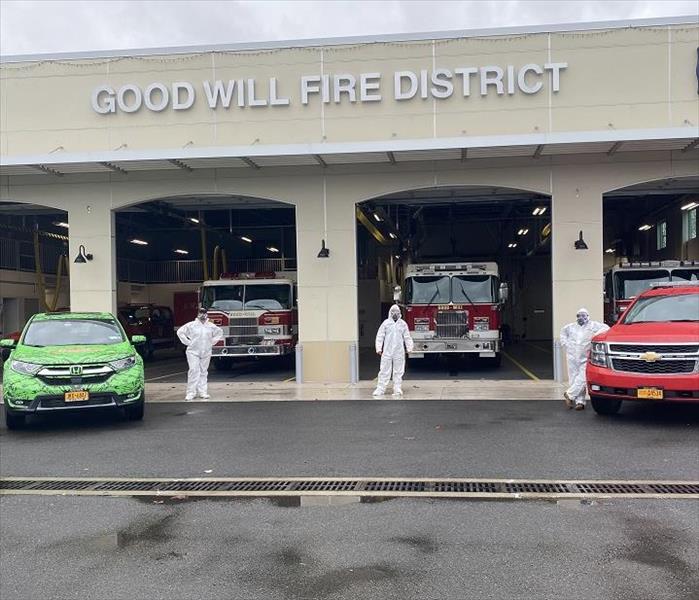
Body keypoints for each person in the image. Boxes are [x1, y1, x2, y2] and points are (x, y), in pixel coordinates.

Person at [560, 307, 609, 410]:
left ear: (588, 316)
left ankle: (569, 394)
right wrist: (566, 344)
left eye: (583, 315)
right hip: (572, 356)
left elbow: (606, 328)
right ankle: (580, 402)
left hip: (585, 357)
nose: (581, 318)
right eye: (578, 315)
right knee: (573, 378)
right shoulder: (571, 327)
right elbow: (563, 334)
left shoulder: (593, 325)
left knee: (582, 378)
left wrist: (595, 336)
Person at [177, 307, 224, 401]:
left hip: (206, 351)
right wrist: (188, 342)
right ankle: (191, 392)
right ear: (198, 314)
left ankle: (203, 391)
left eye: (204, 313)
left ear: (207, 314)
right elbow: (180, 332)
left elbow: (220, 332)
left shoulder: (210, 326)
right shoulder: (191, 325)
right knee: (194, 370)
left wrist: (212, 342)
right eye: (201, 312)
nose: (202, 315)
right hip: (193, 351)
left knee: (203, 371)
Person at [373, 304, 414, 398]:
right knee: (384, 370)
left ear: (399, 313)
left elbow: (407, 337)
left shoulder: (402, 324)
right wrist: (379, 348)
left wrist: (409, 347)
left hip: (398, 351)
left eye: (397, 312)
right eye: (393, 312)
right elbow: (380, 336)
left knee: (398, 371)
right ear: (390, 313)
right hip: (387, 351)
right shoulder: (386, 323)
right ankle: (380, 389)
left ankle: (397, 388)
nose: (395, 314)